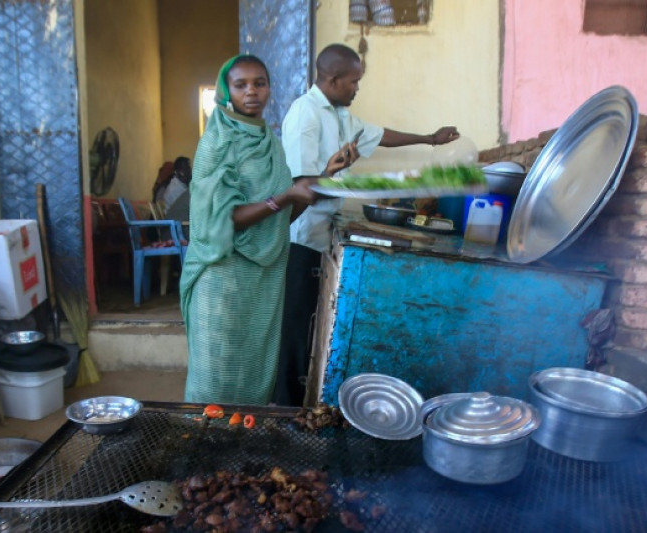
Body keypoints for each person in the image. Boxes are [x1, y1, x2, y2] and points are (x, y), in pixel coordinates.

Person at [276, 43, 462, 405]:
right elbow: (303, 185)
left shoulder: (341, 113)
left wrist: (429, 138)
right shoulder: (306, 114)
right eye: (353, 81)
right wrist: (338, 175)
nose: (357, 88)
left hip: (322, 234)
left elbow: (379, 135)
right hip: (301, 236)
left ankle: (302, 399)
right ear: (332, 80)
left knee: (313, 325)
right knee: (294, 327)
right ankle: (284, 406)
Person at [180, 55, 352, 405]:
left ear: (269, 88)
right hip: (222, 277)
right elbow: (223, 220)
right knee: (214, 380)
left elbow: (280, 217)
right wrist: (286, 194)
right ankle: (200, 448)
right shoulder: (216, 144)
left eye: (259, 82)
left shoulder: (268, 142)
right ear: (226, 91)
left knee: (253, 375)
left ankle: (242, 452)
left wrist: (323, 176)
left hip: (260, 281)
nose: (252, 92)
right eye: (241, 85)